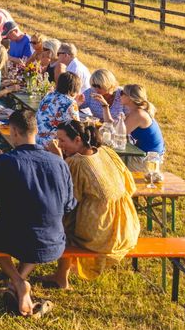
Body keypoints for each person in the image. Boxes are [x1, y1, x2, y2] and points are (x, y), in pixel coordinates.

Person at [0, 109, 75, 316]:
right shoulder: (59, 162)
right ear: (36, 130)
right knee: (36, 223)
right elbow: (69, 205)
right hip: (54, 242)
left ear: (14, 132)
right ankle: (19, 280)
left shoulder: (7, 162)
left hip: (18, 239)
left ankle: (17, 280)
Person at [43, 121, 140, 288]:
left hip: (102, 233)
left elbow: (65, 198)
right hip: (128, 226)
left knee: (60, 223)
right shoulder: (107, 152)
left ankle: (55, 277)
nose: (59, 144)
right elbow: (130, 186)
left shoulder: (77, 163)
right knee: (68, 218)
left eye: (62, 140)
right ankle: (60, 276)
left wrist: (58, 159)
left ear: (78, 140)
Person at [119, 84, 166, 162]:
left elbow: (118, 134)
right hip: (144, 153)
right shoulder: (137, 111)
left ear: (130, 98)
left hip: (148, 159)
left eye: (122, 93)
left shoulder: (138, 114)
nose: (119, 95)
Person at [36, 71, 83, 147]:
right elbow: (77, 127)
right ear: (75, 88)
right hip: (52, 144)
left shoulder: (48, 95)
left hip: (37, 138)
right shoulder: (70, 102)